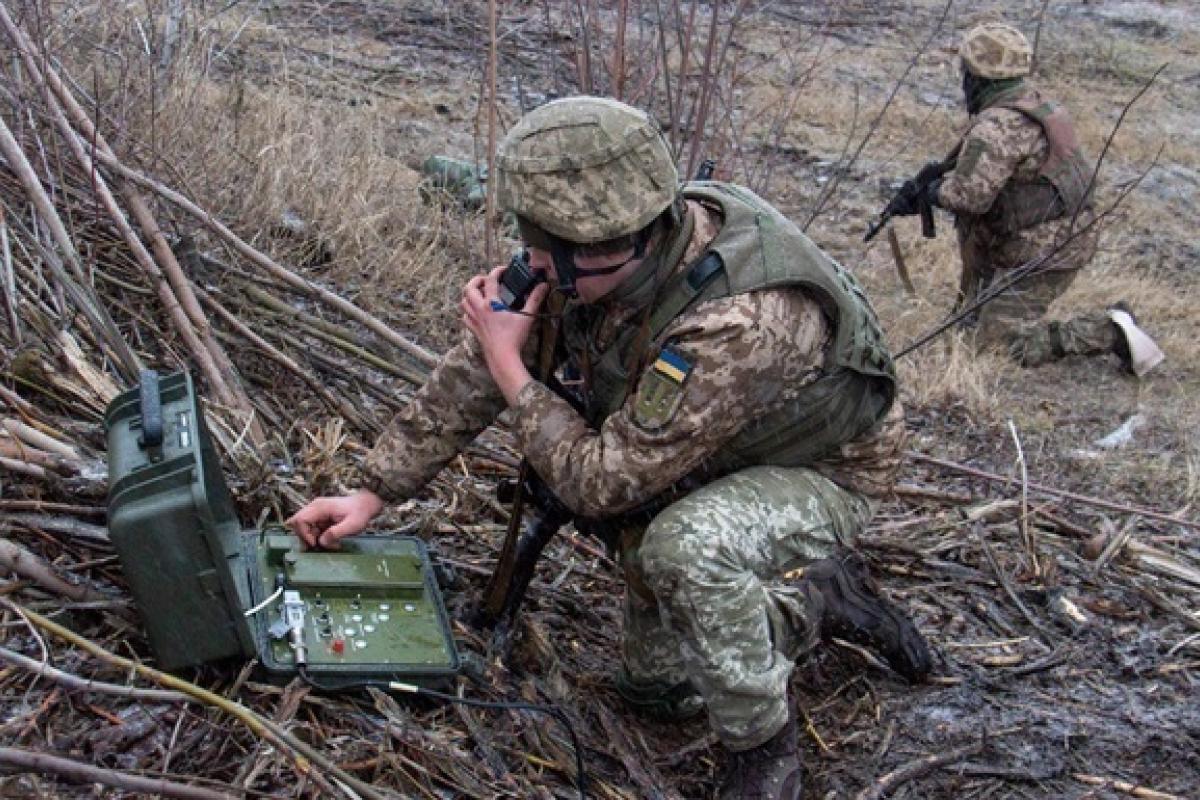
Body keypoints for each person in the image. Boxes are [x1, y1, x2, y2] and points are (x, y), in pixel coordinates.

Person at [289, 96, 930, 799]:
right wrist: (375, 489)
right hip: (711, 445)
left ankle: (763, 750)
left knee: (686, 550)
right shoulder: (605, 251)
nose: (526, 263)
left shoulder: (737, 322)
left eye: (539, 251)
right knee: (656, 690)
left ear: (604, 246)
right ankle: (814, 604)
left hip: (821, 467)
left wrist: (513, 369)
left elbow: (598, 482)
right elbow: (479, 364)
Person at [893, 22, 1163, 375]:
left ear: (976, 77)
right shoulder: (1035, 104)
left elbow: (968, 198)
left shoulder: (997, 127)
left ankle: (1108, 331)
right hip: (1047, 238)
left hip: (1047, 252)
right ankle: (971, 313)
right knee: (965, 329)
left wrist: (929, 193)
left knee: (996, 347)